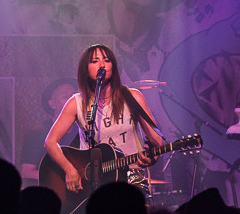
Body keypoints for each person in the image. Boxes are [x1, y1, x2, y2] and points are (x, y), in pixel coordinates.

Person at [44, 44, 164, 195]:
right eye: (94, 61)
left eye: (106, 60)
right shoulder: (76, 102)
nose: (101, 65)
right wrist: (70, 170)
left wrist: (152, 156)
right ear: (85, 69)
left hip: (131, 178)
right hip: (93, 182)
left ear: (113, 66)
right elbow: (50, 141)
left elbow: (155, 138)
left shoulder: (133, 97)